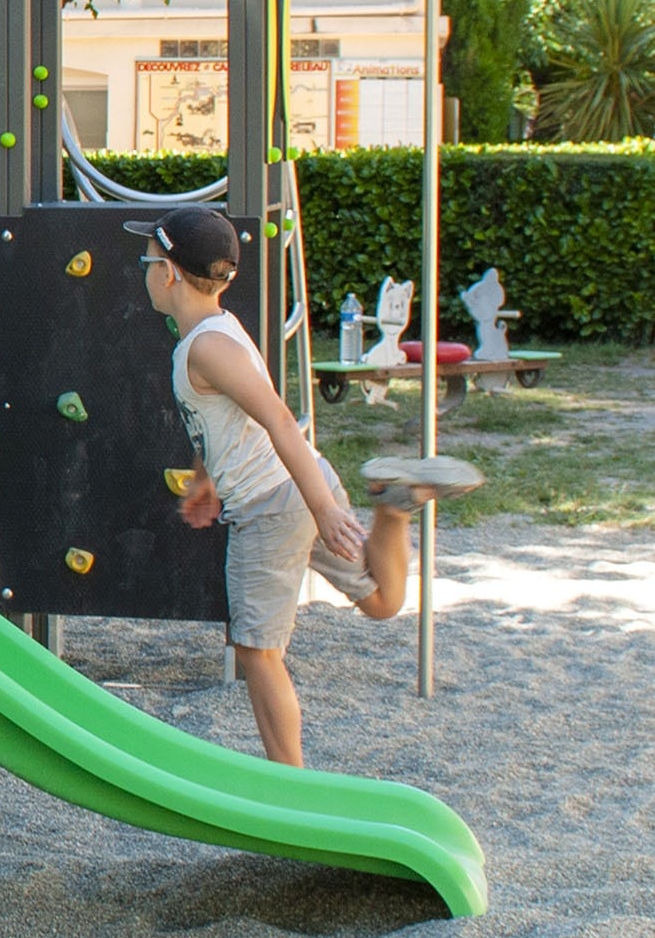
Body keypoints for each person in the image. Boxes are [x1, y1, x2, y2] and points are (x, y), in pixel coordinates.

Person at [136, 206, 476, 768]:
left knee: (257, 649)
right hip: (298, 486)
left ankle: (290, 786)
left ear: (169, 274)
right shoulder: (213, 332)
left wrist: (320, 509)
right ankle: (393, 508)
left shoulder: (206, 347)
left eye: (147, 260)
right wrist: (205, 479)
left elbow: (275, 418)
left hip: (275, 505)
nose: (142, 270)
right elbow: (223, 422)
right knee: (383, 602)